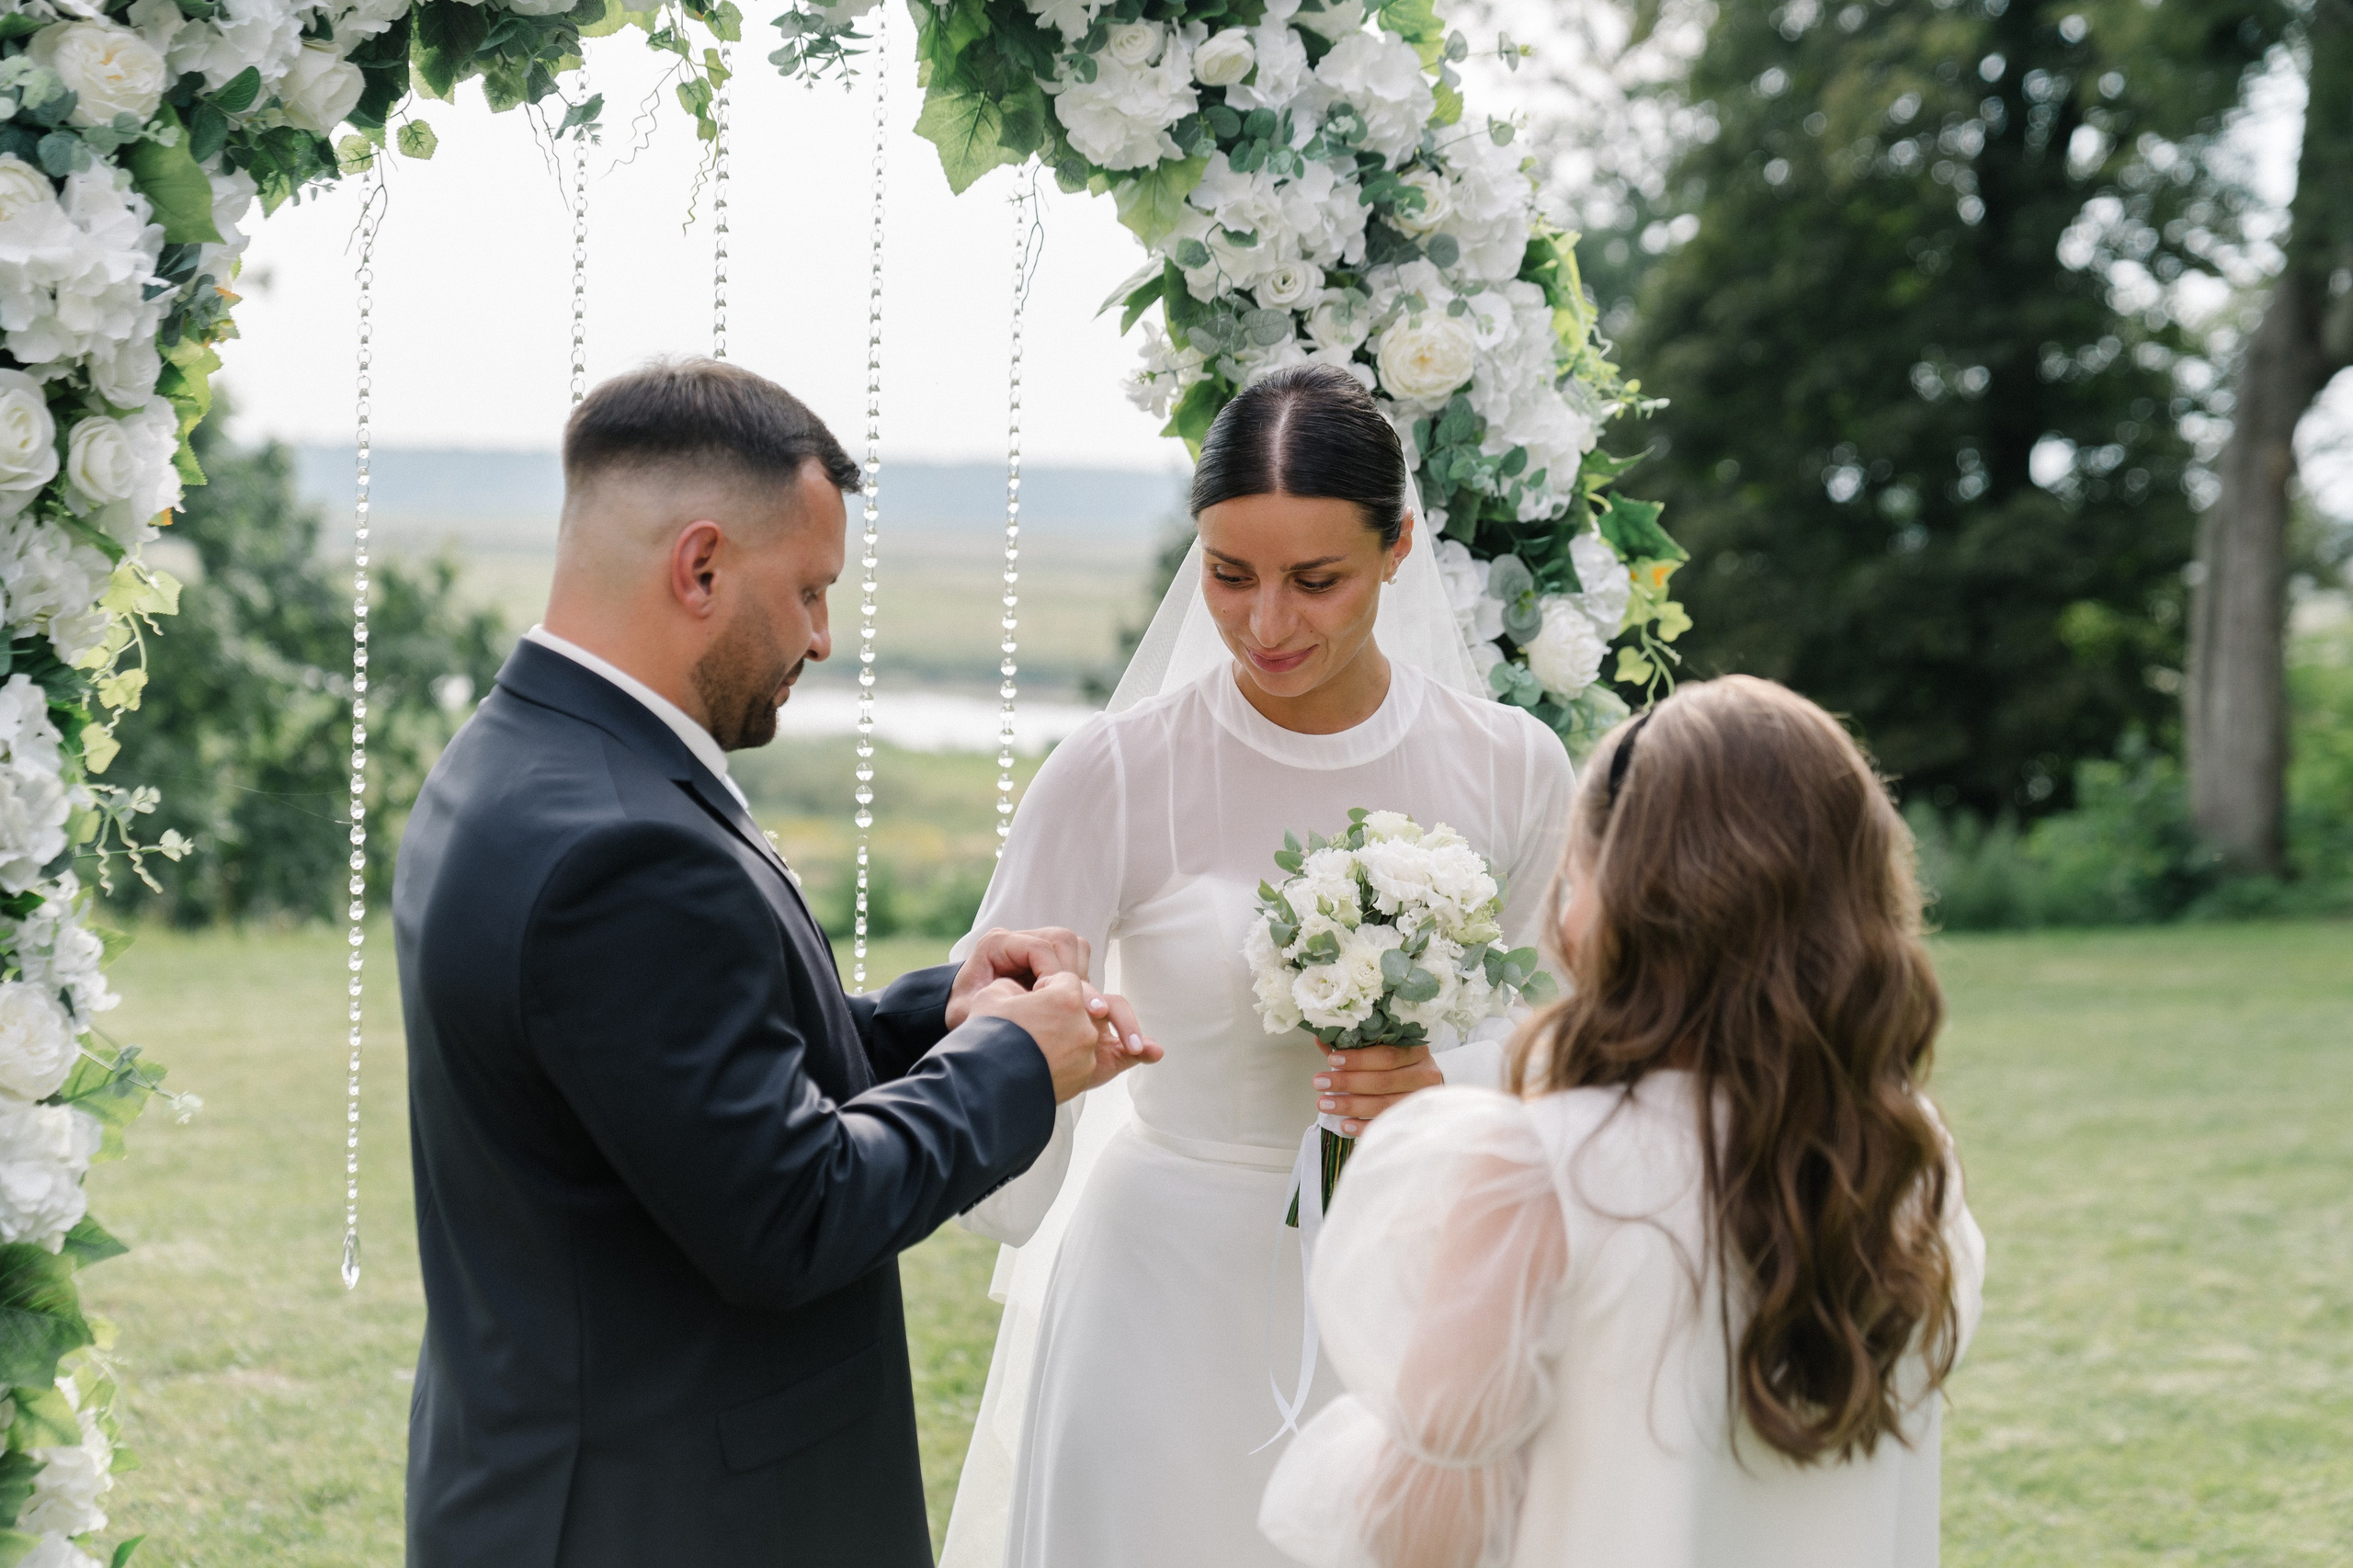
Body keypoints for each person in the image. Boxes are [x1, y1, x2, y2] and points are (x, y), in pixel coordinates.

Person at [393, 358, 1160, 1568]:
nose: (821, 634)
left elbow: (687, 1070)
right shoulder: (622, 843)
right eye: (808, 589)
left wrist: (944, 1016)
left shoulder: (526, 757)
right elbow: (792, 1210)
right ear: (700, 566)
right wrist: (1012, 1064)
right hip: (665, 1518)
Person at [938, 362, 1578, 1568]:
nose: (1267, 623)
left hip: (1406, 1293)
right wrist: (998, 1039)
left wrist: (1449, 1086)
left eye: (1315, 580)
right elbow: (1000, 1120)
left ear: (1397, 546)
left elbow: (1579, 1049)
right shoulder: (1114, 771)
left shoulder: (1512, 765)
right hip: (1159, 1303)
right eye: (1230, 574)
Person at [1257, 676, 1989, 1568]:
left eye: (1574, 876)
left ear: (1618, 900)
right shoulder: (1904, 1157)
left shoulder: (1541, 1169)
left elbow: (1417, 1534)